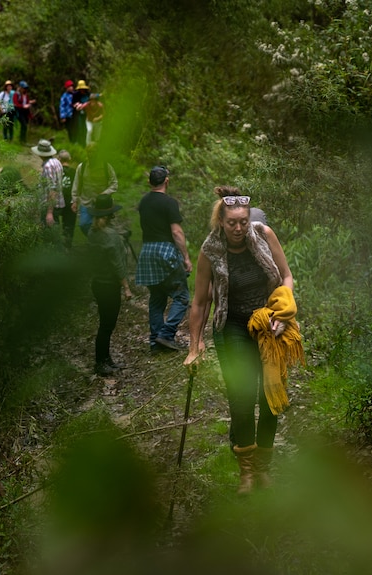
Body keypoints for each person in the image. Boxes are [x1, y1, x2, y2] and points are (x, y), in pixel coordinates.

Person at [183, 186, 298, 495]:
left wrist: (283, 311)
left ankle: (263, 468)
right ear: (221, 221)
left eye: (243, 221)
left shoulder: (263, 235)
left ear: (249, 219)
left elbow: (286, 277)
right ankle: (246, 471)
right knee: (242, 396)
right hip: (231, 327)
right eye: (232, 222)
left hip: (268, 324)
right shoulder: (210, 250)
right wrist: (195, 347)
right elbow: (199, 302)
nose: (238, 228)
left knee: (272, 398)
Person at [135, 166, 191, 352]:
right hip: (165, 252)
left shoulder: (143, 202)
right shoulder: (169, 203)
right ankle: (166, 335)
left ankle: (155, 342)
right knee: (182, 297)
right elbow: (176, 232)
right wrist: (186, 257)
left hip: (147, 253)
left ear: (149, 182)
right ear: (166, 181)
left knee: (157, 298)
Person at [87, 193, 133, 376]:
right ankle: (100, 362)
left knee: (104, 324)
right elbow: (118, 264)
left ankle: (106, 359)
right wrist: (127, 287)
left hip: (97, 284)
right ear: (109, 215)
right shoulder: (111, 236)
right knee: (107, 325)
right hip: (109, 286)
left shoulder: (92, 232)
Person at [70, 143, 117, 237]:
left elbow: (114, 183)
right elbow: (76, 184)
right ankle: (95, 240)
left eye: (93, 152)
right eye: (89, 152)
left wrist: (104, 194)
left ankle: (104, 244)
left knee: (104, 226)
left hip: (102, 204)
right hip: (86, 201)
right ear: (87, 153)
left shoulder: (106, 167)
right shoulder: (82, 167)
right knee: (83, 224)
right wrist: (74, 201)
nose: (91, 154)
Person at [31, 139, 63, 229]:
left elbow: (52, 189)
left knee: (48, 231)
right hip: (57, 203)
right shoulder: (57, 162)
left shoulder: (48, 166)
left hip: (50, 205)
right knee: (55, 229)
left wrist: (49, 212)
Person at [58, 149, 77, 249]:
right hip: (71, 202)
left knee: (54, 223)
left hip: (57, 201)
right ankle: (67, 246)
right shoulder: (75, 172)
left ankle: (55, 245)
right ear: (69, 159)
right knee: (69, 226)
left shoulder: (57, 171)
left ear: (59, 159)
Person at [70, 80, 91, 146]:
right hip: (79, 114)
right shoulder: (75, 94)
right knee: (80, 128)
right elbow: (73, 103)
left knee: (87, 129)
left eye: (83, 89)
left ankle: (86, 143)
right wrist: (77, 105)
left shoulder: (88, 94)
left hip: (87, 113)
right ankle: (80, 142)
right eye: (80, 89)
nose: (82, 90)